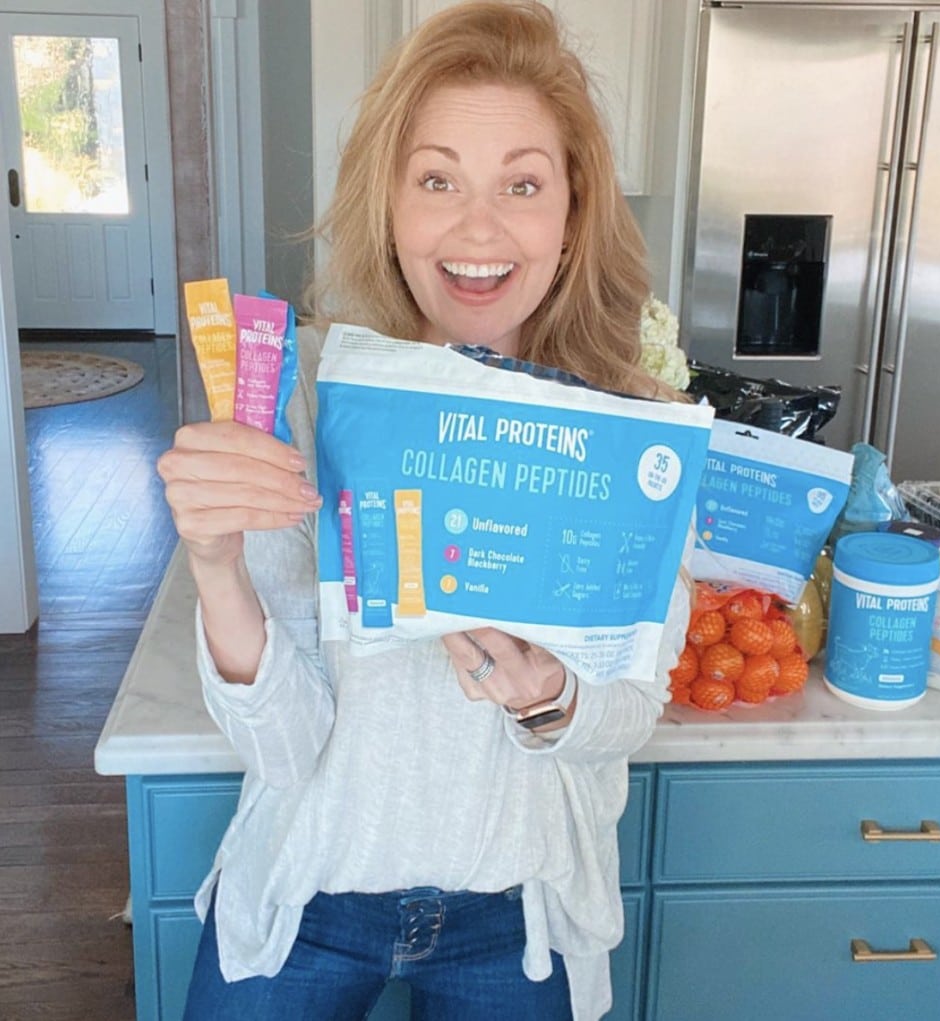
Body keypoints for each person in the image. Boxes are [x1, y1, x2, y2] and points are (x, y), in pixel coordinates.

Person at [157, 3, 692, 1019]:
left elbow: (627, 711)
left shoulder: (636, 435)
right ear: (391, 206)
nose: (477, 229)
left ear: (571, 212)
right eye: (437, 179)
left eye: (522, 184)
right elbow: (280, 748)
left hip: (516, 915)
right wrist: (217, 568)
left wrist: (550, 700)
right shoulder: (311, 401)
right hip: (309, 893)